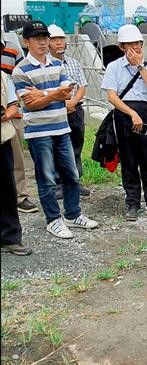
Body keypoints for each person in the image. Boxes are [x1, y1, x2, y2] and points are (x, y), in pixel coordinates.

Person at [12, 21, 98, 239]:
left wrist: (42, 93)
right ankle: (53, 220)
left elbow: (68, 93)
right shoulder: (20, 70)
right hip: (39, 132)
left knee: (72, 175)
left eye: (45, 38)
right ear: (26, 42)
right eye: (37, 38)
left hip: (62, 128)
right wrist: (53, 94)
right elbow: (29, 104)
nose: (42, 42)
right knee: (47, 179)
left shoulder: (57, 65)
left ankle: (72, 214)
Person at [101, 24, 147, 221]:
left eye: (138, 44)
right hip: (124, 113)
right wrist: (131, 114)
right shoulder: (114, 67)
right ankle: (132, 203)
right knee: (129, 160)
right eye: (130, 45)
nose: (135, 49)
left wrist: (140, 65)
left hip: (146, 113)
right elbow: (111, 97)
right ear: (122, 47)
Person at [47, 24, 90, 198]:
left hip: (75, 109)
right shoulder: (47, 65)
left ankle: (75, 181)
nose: (59, 43)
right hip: (56, 109)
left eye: (61, 39)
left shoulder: (73, 63)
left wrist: (73, 102)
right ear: (48, 43)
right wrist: (64, 102)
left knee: (76, 144)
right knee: (57, 146)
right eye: (55, 40)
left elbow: (82, 86)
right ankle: (58, 184)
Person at [1, 36, 39, 213]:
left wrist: (14, 105)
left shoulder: (12, 50)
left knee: (16, 158)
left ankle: (20, 196)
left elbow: (19, 79)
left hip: (11, 112)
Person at [1, 67, 32, 255]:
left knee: (6, 190)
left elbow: (13, 104)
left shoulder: (3, 76)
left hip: (2, 138)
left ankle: (10, 238)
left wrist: (6, 115)